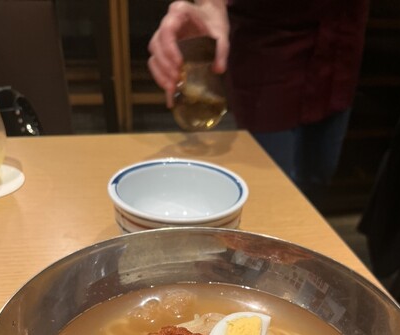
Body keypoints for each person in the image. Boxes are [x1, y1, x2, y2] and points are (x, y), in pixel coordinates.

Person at [148, 0, 370, 201]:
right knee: (269, 186)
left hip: (341, 47)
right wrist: (211, 5)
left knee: (317, 178)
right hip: (270, 50)